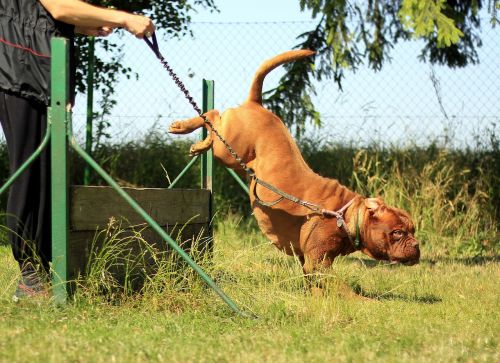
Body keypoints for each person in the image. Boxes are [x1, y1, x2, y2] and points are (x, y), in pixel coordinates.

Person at [0, 0, 155, 300]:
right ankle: (30, 275)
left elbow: (48, 15)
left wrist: (86, 24)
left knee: (48, 175)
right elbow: (59, 6)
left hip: (44, 69)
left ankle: (49, 270)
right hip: (18, 68)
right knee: (29, 173)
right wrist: (124, 19)